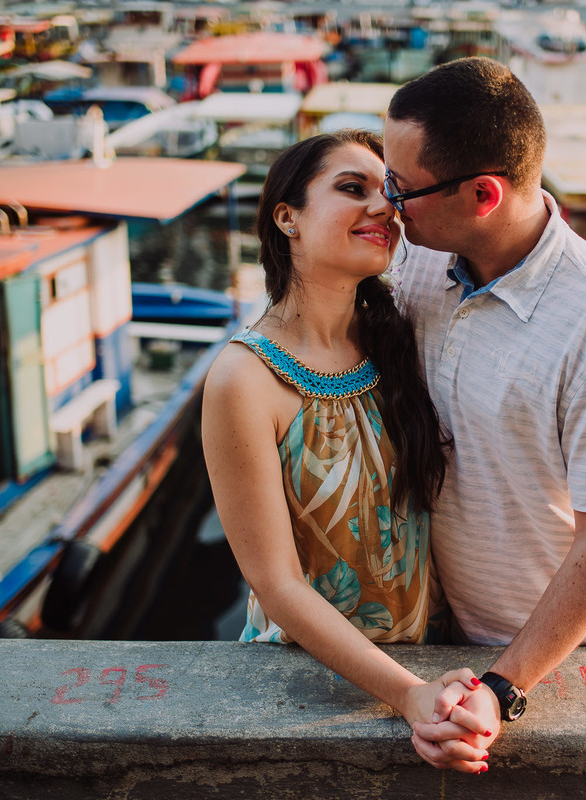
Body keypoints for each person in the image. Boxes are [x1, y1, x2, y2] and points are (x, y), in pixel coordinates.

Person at [382, 57, 586, 768]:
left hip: (569, 659)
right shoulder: (417, 259)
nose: (388, 204)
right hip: (452, 641)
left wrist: (505, 686)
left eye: (401, 187)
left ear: (482, 194)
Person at [201, 130, 492, 774]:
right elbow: (275, 585)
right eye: (351, 189)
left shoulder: (393, 340)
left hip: (428, 668)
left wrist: (432, 687)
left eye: (386, 191)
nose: (383, 207)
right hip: (313, 688)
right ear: (288, 217)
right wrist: (407, 694)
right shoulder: (244, 379)